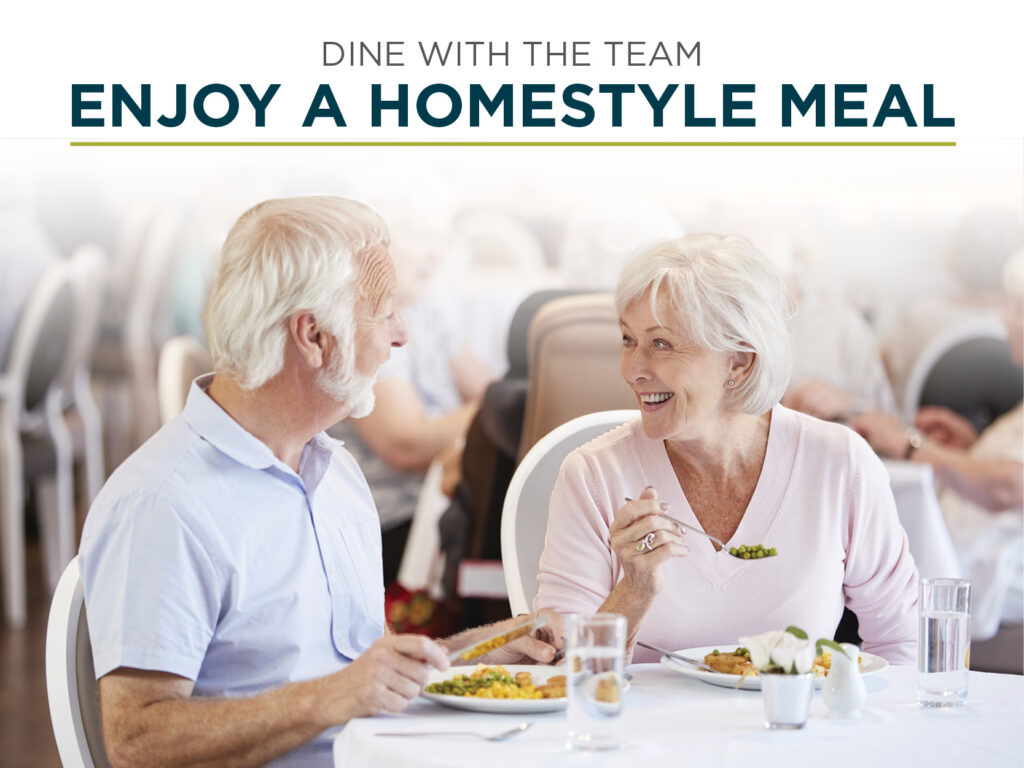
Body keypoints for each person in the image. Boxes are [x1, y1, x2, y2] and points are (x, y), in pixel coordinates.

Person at [78, 196, 561, 768]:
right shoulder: (163, 502)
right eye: (385, 313)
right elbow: (138, 742)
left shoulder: (333, 472)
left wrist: (489, 647)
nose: (401, 335)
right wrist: (332, 698)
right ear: (313, 335)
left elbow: (358, 674)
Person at [533, 233, 919, 664]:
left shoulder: (840, 464)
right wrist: (634, 592)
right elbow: (557, 673)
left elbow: (904, 645)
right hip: (645, 732)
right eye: (628, 340)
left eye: (661, 343)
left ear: (739, 361)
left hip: (795, 727)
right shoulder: (593, 476)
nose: (634, 369)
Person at [852, 250, 1024, 640]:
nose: (1004, 319)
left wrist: (912, 446)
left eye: (1017, 308)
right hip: (974, 544)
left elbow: (1011, 486)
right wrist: (972, 449)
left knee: (866, 570)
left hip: (998, 565)